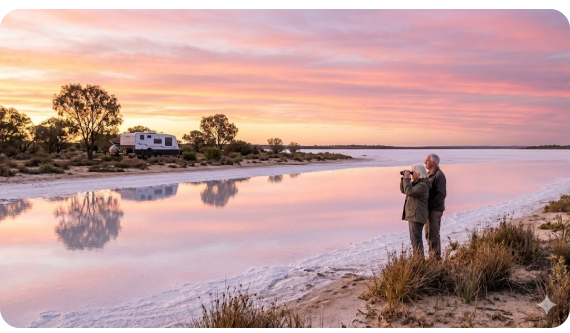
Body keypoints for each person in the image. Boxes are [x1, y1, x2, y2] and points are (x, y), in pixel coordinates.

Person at [400, 164, 431, 257]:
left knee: (416, 240)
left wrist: (407, 179)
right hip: (414, 215)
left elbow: (409, 192)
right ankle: (418, 260)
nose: (412, 175)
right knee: (414, 240)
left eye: (413, 173)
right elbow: (404, 190)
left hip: (416, 216)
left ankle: (419, 262)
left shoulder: (422, 185)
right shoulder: (417, 183)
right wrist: (403, 179)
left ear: (419, 173)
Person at [424, 153, 447, 260]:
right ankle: (432, 257)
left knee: (433, 234)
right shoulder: (429, 174)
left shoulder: (439, 175)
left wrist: (431, 205)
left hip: (435, 209)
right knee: (428, 234)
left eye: (427, 161)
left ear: (433, 163)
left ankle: (436, 259)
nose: (425, 162)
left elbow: (441, 194)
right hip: (429, 209)